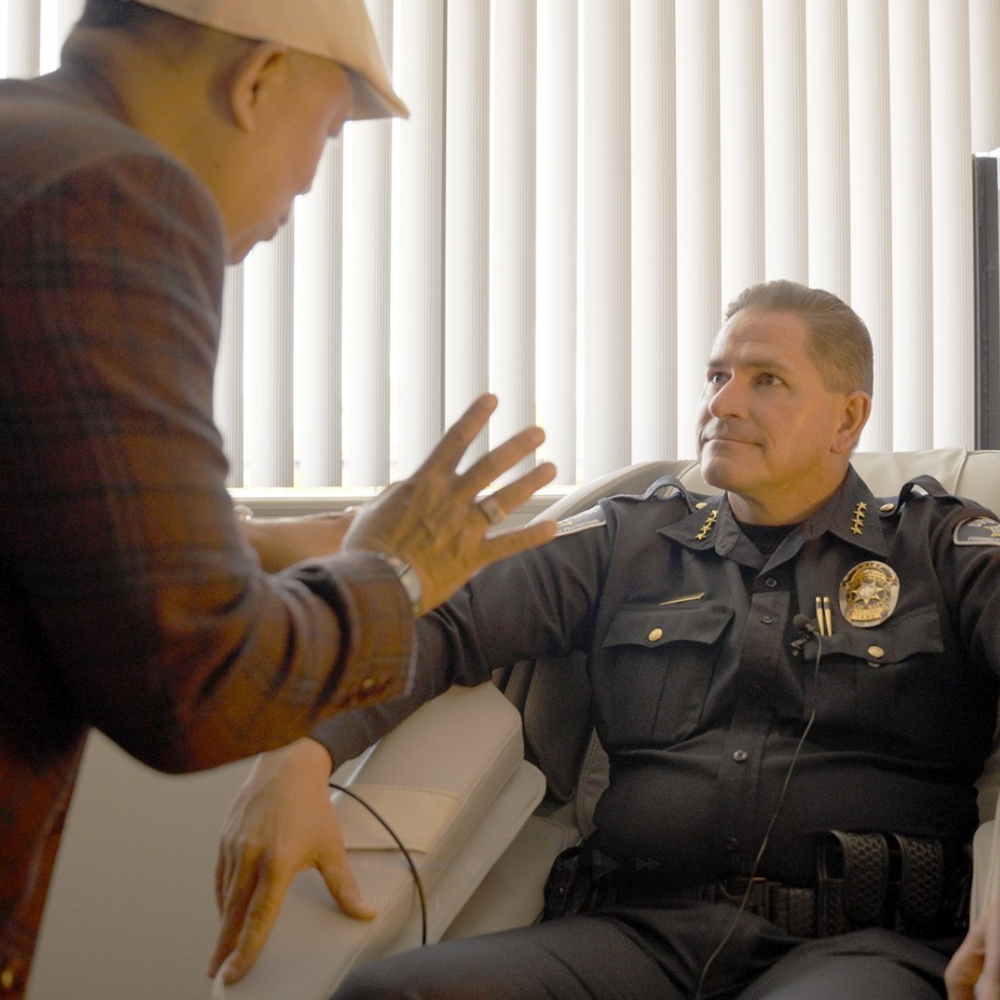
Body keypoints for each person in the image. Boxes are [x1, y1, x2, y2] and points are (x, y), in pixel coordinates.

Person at [214, 278, 1000, 999]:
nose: (723, 404)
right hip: (636, 936)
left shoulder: (939, 549)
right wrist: (299, 752)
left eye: (766, 380)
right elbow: (438, 621)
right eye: (716, 376)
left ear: (848, 418)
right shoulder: (629, 540)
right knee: (390, 995)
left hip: (857, 951)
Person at [0, 1, 559, 997]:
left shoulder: (25, 144)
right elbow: (198, 688)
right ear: (257, 79)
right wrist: (396, 572)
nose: (305, 186)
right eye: (328, 134)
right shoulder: (113, 193)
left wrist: (244, 541)